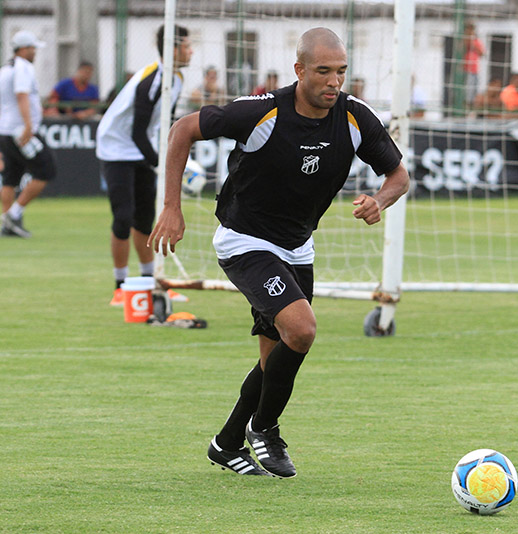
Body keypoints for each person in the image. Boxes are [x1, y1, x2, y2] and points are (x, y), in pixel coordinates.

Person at [147, 27, 409, 478]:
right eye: (323, 71)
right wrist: (172, 206)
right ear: (300, 70)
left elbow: (398, 176)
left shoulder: (355, 118)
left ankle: (226, 443)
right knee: (302, 330)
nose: (334, 82)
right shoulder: (261, 111)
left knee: (276, 357)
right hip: (244, 241)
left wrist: (379, 201)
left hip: (297, 247)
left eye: (341, 72)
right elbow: (182, 129)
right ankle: (264, 429)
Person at [96, 25, 193, 305]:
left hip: (141, 148)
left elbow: (167, 126)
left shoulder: (176, 79)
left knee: (145, 219)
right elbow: (137, 131)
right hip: (116, 148)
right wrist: (161, 165)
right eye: (186, 45)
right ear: (172, 48)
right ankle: (120, 287)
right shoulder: (151, 80)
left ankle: (153, 283)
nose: (191, 50)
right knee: (123, 217)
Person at [0, 31, 57, 238]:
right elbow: (21, 95)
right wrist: (28, 126)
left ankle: (8, 224)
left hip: (5, 130)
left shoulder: (5, 69)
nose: (35, 52)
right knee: (46, 169)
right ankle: (12, 215)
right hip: (19, 130)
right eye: (33, 48)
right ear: (24, 49)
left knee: (10, 178)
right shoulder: (23, 68)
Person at [460, 21, 484, 106]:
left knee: (473, 90)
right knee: (465, 91)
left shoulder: (476, 41)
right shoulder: (462, 41)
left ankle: (471, 105)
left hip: (474, 70)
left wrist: (473, 43)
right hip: (464, 70)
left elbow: (482, 53)